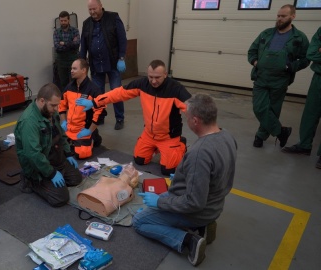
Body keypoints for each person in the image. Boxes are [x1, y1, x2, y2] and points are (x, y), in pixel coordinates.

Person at [133, 94, 237, 266]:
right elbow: (217, 174)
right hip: (215, 204)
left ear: (195, 121)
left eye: (187, 118)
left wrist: (160, 202)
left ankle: (189, 241)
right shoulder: (226, 136)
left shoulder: (200, 153)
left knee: (139, 221)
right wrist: (186, 177)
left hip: (198, 210)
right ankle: (206, 225)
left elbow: (194, 203)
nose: (186, 121)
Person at [76, 60, 191, 176]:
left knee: (168, 170)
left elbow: (193, 108)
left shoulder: (176, 89)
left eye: (158, 77)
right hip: (149, 134)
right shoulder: (142, 84)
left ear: (165, 74)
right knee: (139, 160)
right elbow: (119, 93)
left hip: (169, 136)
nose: (153, 81)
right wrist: (95, 102)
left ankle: (180, 145)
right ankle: (156, 148)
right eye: (150, 77)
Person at [247, 4, 310, 148]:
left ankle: (260, 135)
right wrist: (255, 62)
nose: (279, 19)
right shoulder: (266, 33)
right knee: (259, 107)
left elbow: (306, 59)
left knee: (273, 109)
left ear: (292, 17)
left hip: (280, 80)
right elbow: (252, 50)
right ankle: (281, 132)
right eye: (278, 16)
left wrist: (292, 66)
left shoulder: (299, 37)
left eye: (283, 16)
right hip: (261, 77)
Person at [14, 83, 82, 207]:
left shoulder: (49, 111)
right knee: (60, 197)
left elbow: (61, 135)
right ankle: (30, 181)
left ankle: (55, 174)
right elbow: (33, 154)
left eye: (58, 105)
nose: (57, 109)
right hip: (37, 164)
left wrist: (68, 153)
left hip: (52, 155)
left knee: (76, 178)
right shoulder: (29, 121)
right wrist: (51, 173)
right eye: (54, 105)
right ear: (41, 101)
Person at [79, 0, 127, 130]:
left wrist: (121, 57)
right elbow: (83, 45)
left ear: (101, 6)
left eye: (94, 9)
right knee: (98, 94)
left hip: (113, 64)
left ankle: (120, 118)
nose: (92, 12)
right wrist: (81, 64)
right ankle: (100, 117)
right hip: (96, 65)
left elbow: (122, 38)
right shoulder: (86, 23)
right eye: (90, 10)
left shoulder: (113, 18)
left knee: (116, 92)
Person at [282, 26, 321, 169]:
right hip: (318, 78)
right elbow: (311, 54)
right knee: (310, 113)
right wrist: (317, 52)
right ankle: (304, 145)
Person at [59, 59, 104, 159]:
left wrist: (89, 130)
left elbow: (101, 113)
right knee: (57, 149)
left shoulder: (94, 90)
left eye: (74, 68)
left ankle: (94, 135)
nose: (71, 71)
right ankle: (77, 141)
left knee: (81, 154)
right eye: (71, 68)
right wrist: (63, 121)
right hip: (69, 128)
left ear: (84, 70)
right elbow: (62, 105)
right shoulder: (69, 87)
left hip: (84, 129)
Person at [53, 11, 80, 92]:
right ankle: (65, 101)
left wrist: (64, 43)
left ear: (69, 20)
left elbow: (77, 44)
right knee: (63, 83)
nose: (63, 22)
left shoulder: (75, 31)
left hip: (73, 61)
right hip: (61, 62)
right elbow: (57, 47)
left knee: (74, 82)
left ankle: (74, 101)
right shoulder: (56, 32)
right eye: (61, 21)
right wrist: (71, 44)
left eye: (65, 20)